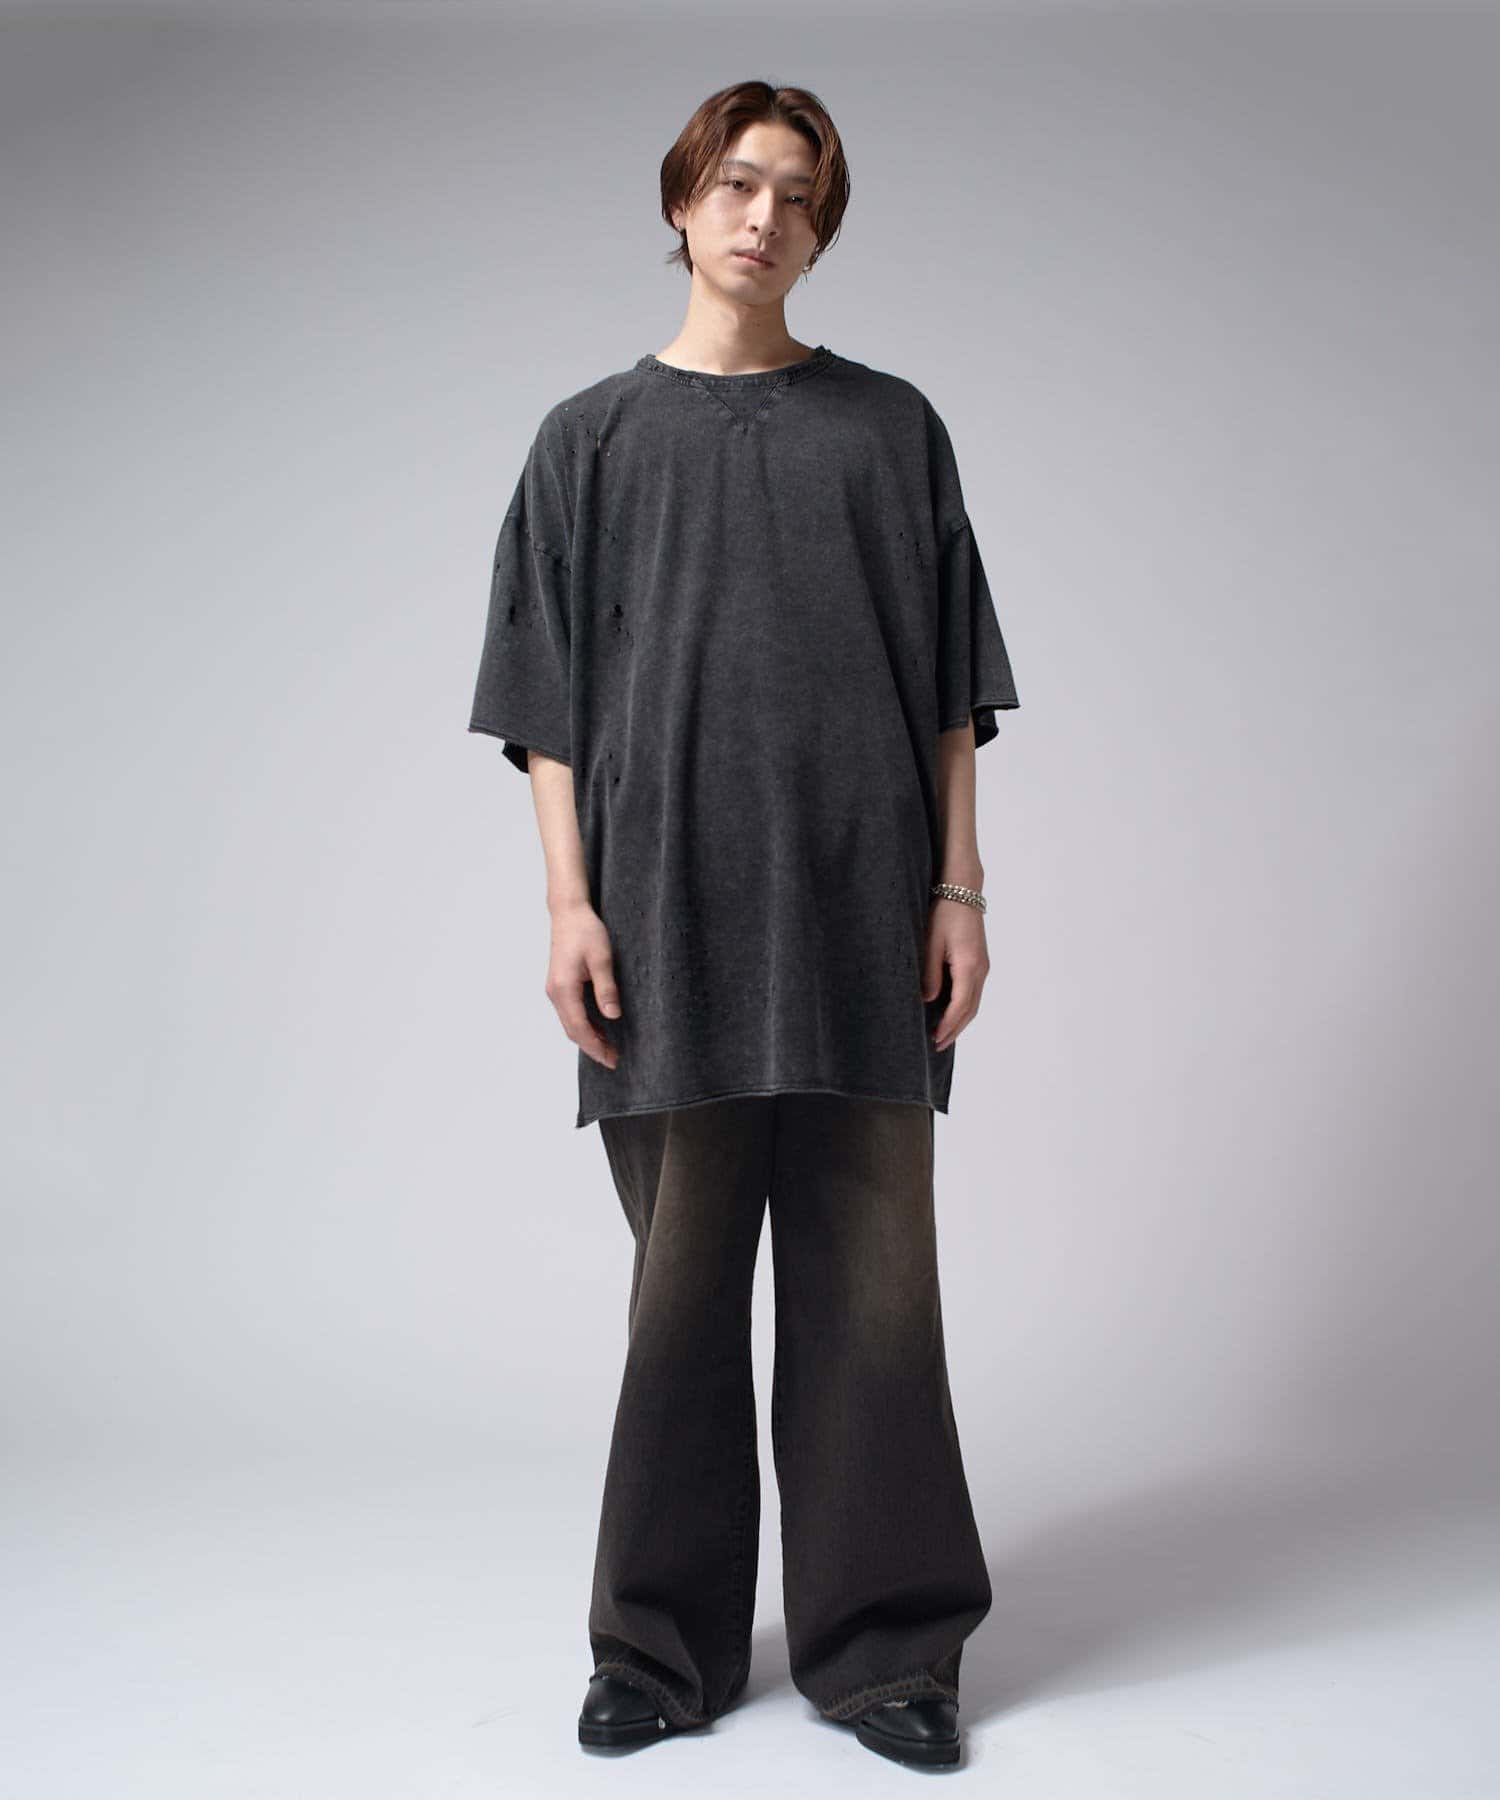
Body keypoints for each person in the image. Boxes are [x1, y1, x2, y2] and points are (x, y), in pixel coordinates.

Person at [467, 79, 1020, 1770]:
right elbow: (546, 704)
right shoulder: (588, 441)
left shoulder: (891, 429)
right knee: (681, 1299)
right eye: (733, 183)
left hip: (865, 916)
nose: (761, 216)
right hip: (667, 924)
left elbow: (949, 689)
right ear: (682, 201)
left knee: (877, 1294)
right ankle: (655, 1649)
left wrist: (959, 889)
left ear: (821, 227)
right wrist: (569, 903)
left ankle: (889, 1648)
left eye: (794, 193)